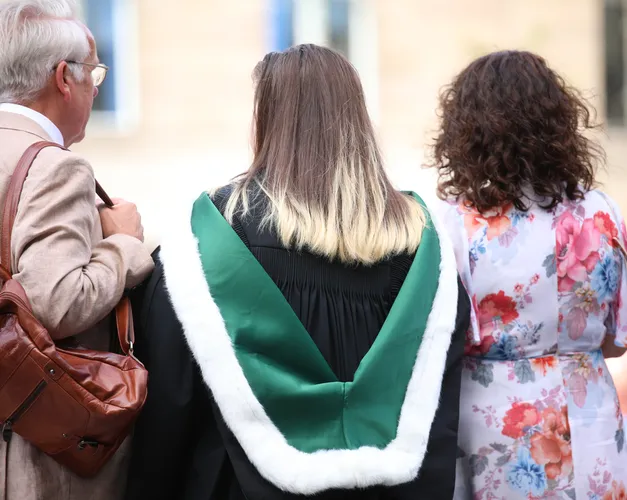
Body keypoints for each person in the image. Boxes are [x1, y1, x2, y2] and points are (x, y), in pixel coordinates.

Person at [125, 44, 469, 500]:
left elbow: (170, 407)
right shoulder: (420, 247)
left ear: (266, 121)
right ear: (358, 121)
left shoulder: (213, 248)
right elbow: (436, 417)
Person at [431, 50, 627, 499]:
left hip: (497, 429)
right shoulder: (602, 213)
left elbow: (443, 342)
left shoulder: (454, 225)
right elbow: (617, 341)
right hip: (590, 420)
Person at [0, 1, 154, 499]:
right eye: (94, 74)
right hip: (33, 453)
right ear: (64, 78)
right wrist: (123, 246)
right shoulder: (56, 168)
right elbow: (58, 303)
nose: (95, 87)